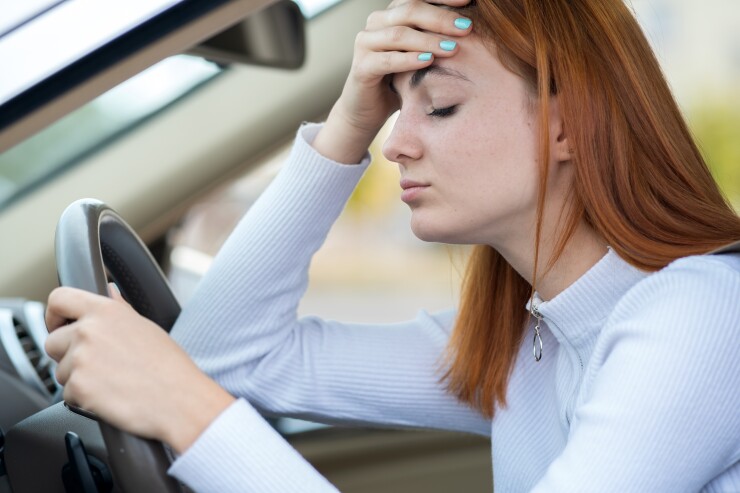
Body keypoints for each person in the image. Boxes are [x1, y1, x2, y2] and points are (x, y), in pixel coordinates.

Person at [44, 0, 740, 491]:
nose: (396, 144)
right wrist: (348, 118)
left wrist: (184, 407)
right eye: (392, 110)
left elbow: (193, 380)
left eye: (437, 106)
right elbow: (226, 357)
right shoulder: (529, 343)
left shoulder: (702, 315)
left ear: (568, 127)